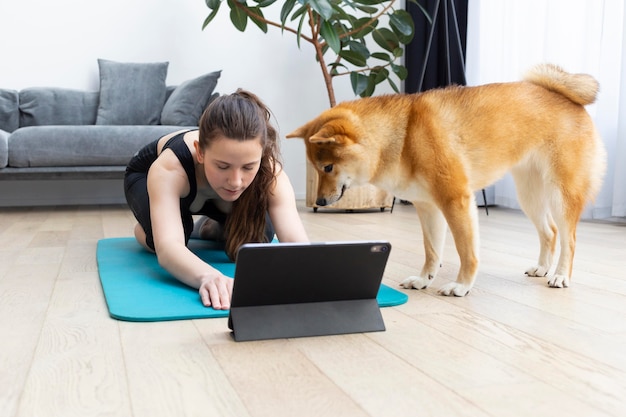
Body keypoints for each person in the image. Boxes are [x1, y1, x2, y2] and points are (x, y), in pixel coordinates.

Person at [124, 89, 309, 310]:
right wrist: (208, 277)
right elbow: (168, 249)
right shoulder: (169, 167)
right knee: (168, 237)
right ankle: (148, 227)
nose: (236, 181)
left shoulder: (270, 172)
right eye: (223, 166)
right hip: (146, 177)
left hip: (211, 191)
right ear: (200, 152)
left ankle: (210, 226)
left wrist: (312, 273)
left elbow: (297, 244)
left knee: (260, 237)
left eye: (248, 167)